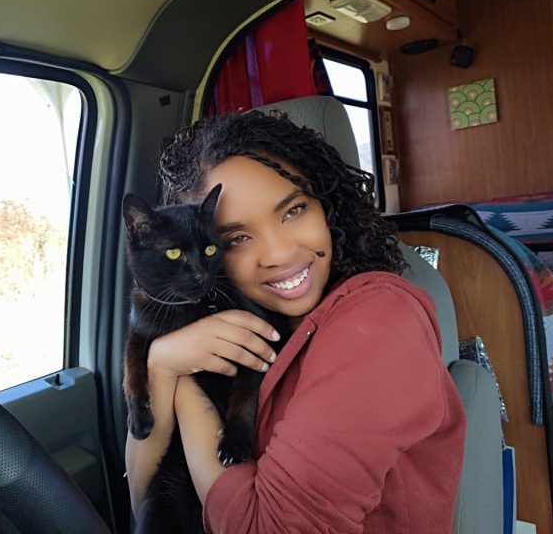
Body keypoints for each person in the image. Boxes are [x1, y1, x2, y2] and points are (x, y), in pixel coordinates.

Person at [125, 110, 466, 533]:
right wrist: (160, 364)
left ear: (327, 206)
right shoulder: (221, 324)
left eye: (293, 211)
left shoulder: (379, 321)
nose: (279, 254)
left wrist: (182, 389)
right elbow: (143, 501)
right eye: (237, 238)